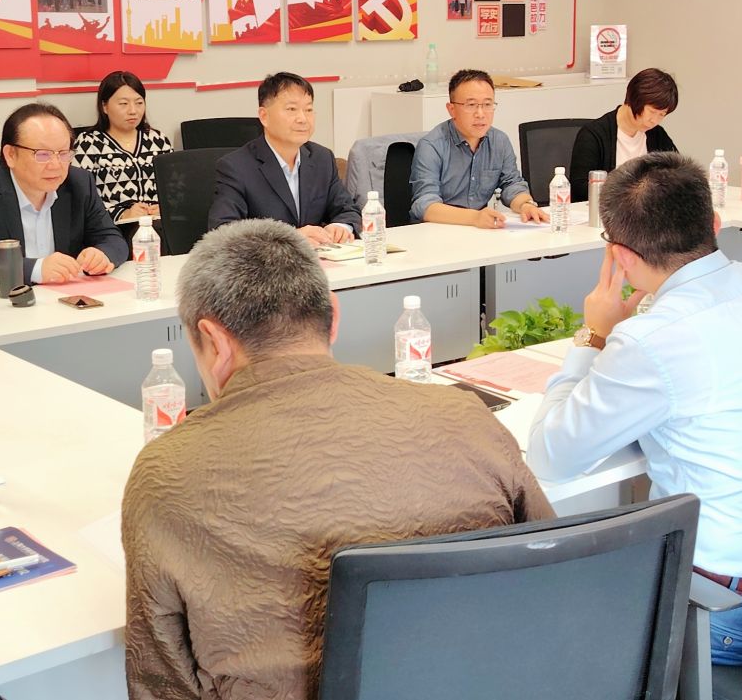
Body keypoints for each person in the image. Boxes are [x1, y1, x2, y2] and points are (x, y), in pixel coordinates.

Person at [123, 220, 552, 698]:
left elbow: (161, 681)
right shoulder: (464, 414)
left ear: (214, 340)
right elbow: (554, 571)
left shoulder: (167, 470)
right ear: (333, 316)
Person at [527, 153, 742, 666]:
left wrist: (593, 335)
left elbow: (550, 458)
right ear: (715, 224)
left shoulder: (650, 340)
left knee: (549, 618)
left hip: (722, 615)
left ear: (621, 257)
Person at [0, 103, 131, 286]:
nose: (56, 165)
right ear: (10, 155)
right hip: (6, 301)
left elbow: (113, 239)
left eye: (63, 153)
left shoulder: (79, 184)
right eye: (42, 155)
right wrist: (36, 269)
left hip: (65, 298)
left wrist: (102, 255)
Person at [206, 72, 360, 244]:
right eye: (291, 109)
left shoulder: (322, 158)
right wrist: (289, 239)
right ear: (264, 116)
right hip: (266, 261)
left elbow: (348, 210)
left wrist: (341, 226)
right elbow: (223, 232)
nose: (303, 119)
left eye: (308, 110)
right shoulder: (236, 167)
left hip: (318, 258)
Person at [410, 69, 550, 227]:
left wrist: (526, 205)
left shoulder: (499, 141)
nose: (480, 114)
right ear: (451, 109)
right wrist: (475, 218)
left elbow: (511, 184)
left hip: (477, 230)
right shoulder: (431, 146)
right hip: (437, 230)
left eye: (487, 104)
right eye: (471, 105)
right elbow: (425, 206)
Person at [73, 70, 174, 224]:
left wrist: (165, 207)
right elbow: (80, 196)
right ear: (104, 106)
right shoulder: (88, 143)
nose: (133, 111)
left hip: (160, 223)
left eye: (139, 103)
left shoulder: (158, 140)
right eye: (123, 104)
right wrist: (122, 213)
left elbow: (177, 188)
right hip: (113, 226)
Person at [568, 68, 681, 202]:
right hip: (606, 210)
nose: (654, 120)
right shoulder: (593, 135)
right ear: (635, 100)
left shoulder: (656, 134)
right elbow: (580, 188)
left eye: (662, 114)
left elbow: (679, 174)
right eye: (652, 112)